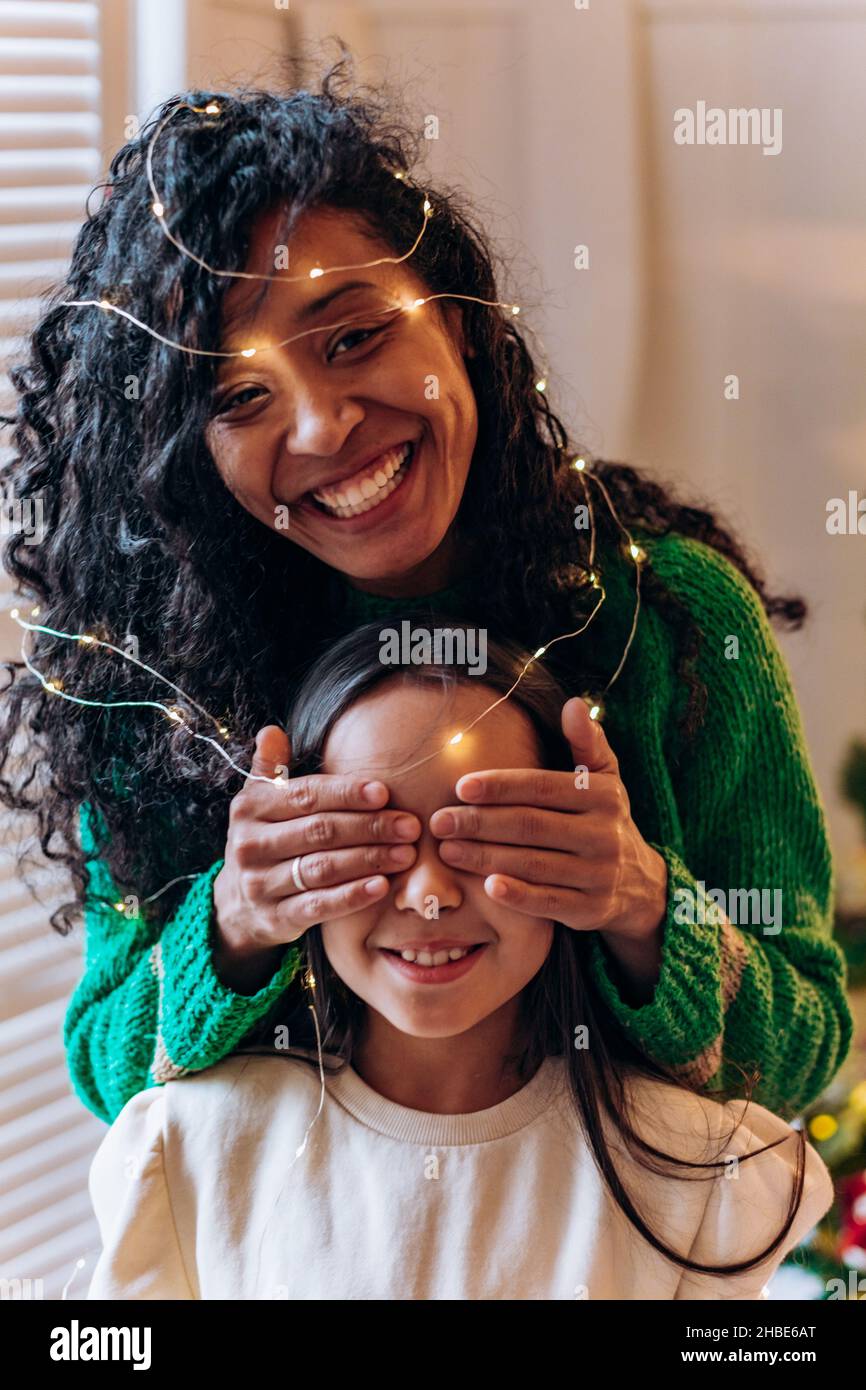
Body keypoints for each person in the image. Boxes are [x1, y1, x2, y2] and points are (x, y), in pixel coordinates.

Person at [0, 53, 850, 1129]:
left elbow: (801, 1048)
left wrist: (641, 906)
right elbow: (109, 1073)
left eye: (353, 337)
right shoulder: (160, 689)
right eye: (241, 396)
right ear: (187, 453)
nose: (321, 427)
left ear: (454, 313)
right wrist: (231, 922)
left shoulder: (670, 622)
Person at [85, 623, 833, 1300]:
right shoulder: (193, 1150)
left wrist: (647, 904)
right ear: (293, 863)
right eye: (377, 842)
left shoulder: (697, 1178)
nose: (431, 895)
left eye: (480, 841)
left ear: (580, 858)